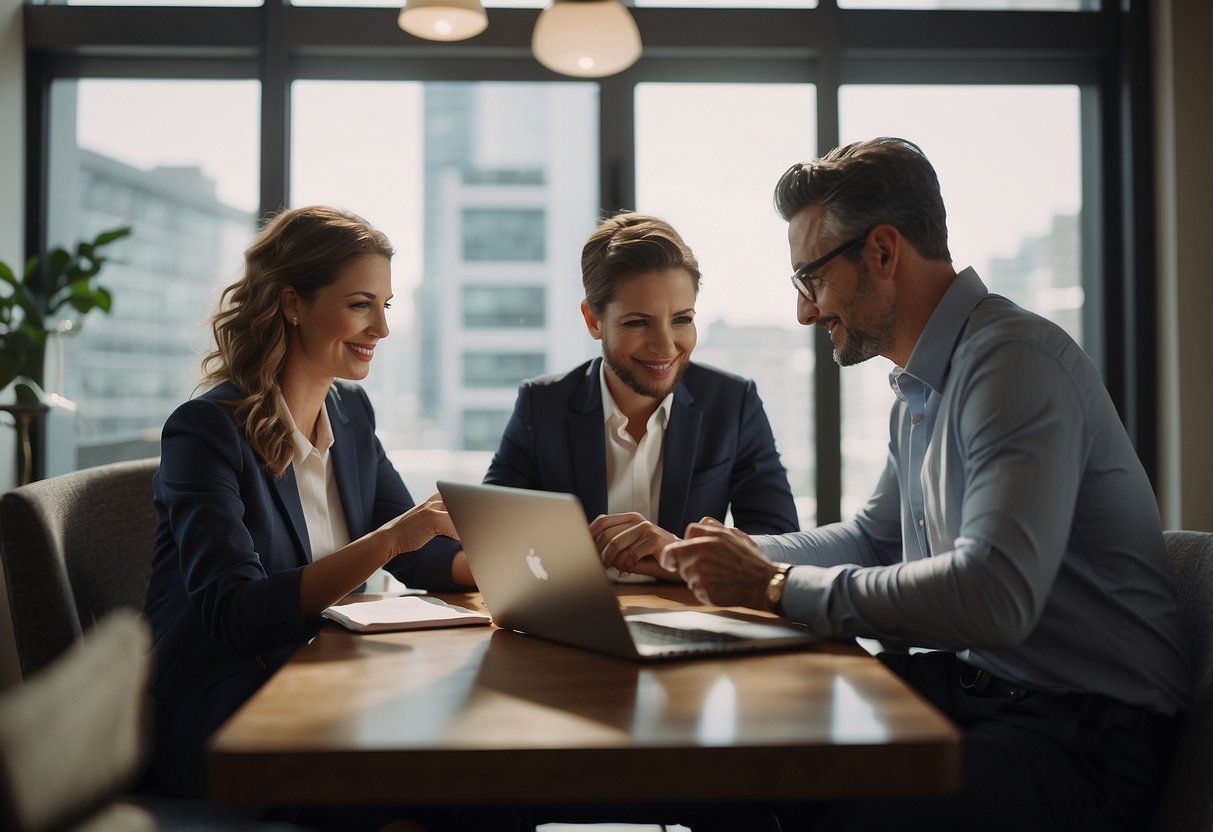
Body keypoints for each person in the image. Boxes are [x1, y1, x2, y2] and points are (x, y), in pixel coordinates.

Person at [658, 138, 1193, 831]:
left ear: (882, 252)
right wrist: (716, 557)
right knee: (740, 757)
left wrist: (768, 586)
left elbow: (992, 594)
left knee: (810, 798)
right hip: (984, 697)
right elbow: (874, 538)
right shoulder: (921, 385)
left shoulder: (1011, 363)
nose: (803, 312)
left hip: (1079, 738)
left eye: (809, 279)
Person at [143, 206, 510, 830]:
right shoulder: (207, 430)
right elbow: (237, 613)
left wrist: (509, 565)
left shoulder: (351, 411)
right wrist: (391, 538)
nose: (383, 329)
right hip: (230, 711)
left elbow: (415, 550)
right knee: (457, 794)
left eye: (387, 306)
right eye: (362, 304)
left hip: (329, 687)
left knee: (492, 785)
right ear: (293, 303)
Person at [485, 211, 798, 582]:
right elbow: (488, 538)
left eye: (682, 319)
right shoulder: (542, 405)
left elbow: (779, 542)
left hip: (692, 619)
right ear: (593, 321)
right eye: (637, 322)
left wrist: (678, 556)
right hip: (577, 620)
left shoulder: (732, 403)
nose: (666, 347)